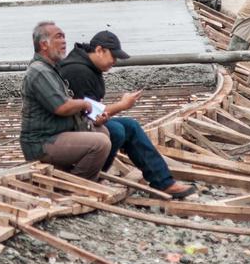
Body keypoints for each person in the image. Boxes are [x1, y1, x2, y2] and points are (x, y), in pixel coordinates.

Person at [60, 31, 197, 199]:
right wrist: (122, 105)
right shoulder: (78, 71)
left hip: (79, 124)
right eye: (113, 57)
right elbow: (90, 114)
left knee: (130, 126)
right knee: (116, 130)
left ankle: (163, 182)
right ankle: (92, 176)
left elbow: (91, 113)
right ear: (99, 50)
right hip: (67, 131)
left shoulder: (87, 66)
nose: (114, 62)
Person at [20, 21, 112, 180]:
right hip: (42, 142)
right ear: (44, 45)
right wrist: (85, 104)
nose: (64, 41)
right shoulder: (39, 71)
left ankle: (75, 177)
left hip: (58, 133)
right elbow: (62, 107)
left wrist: (92, 117)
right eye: (58, 37)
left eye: (64, 37)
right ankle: (77, 187)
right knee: (100, 143)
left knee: (103, 131)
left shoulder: (52, 68)